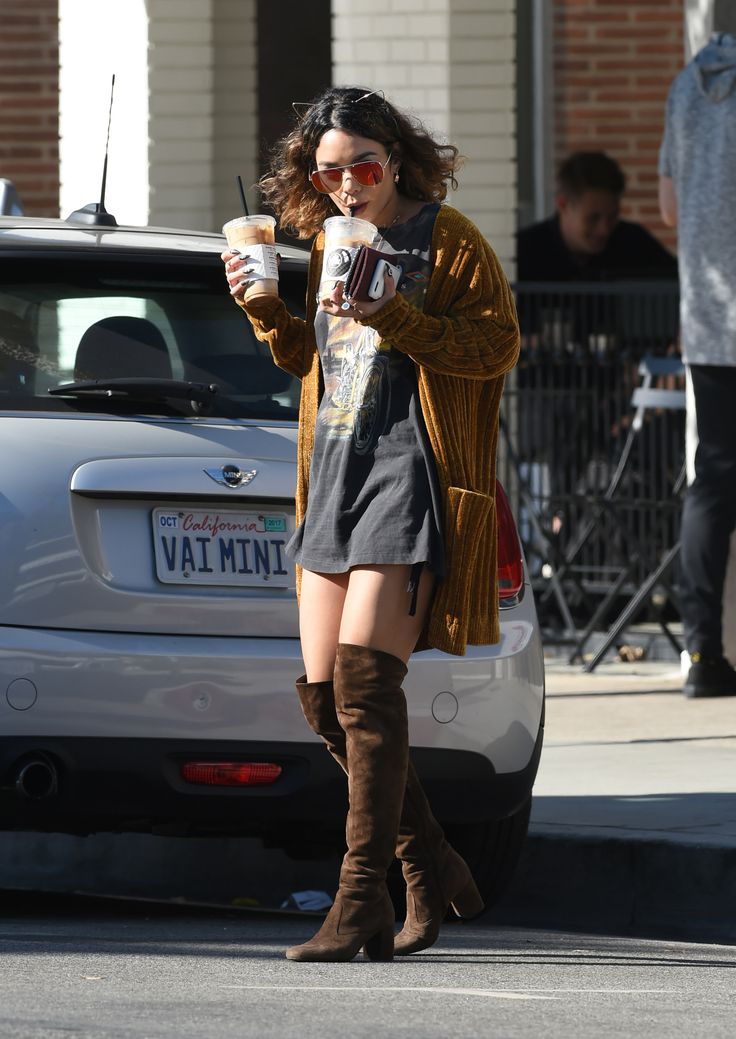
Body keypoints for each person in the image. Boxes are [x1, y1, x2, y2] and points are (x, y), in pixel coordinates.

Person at [222, 86, 520, 961]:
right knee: (323, 699)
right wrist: (266, 308)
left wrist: (395, 310)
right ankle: (431, 865)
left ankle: (361, 902)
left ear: (395, 158)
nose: (348, 187)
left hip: (410, 470)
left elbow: (495, 345)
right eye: (329, 173)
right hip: (337, 470)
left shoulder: (446, 239)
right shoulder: (323, 238)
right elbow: (313, 361)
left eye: (363, 167)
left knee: (364, 684)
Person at [659, 26, 736, 699]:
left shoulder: (688, 88)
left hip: (712, 324)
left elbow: (669, 205)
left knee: (710, 481)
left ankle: (703, 652)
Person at [516, 151, 678, 282]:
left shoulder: (636, 244)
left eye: (612, 216)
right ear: (563, 205)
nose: (604, 230)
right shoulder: (523, 254)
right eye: (593, 218)